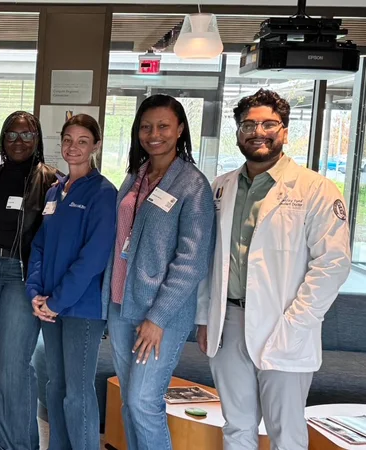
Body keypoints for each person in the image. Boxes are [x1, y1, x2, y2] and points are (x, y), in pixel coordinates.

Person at [196, 89, 351, 450]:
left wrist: (296, 323)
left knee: (286, 431)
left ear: (284, 130)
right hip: (229, 323)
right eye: (248, 124)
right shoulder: (222, 187)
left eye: (268, 123)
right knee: (237, 425)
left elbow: (333, 264)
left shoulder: (316, 189)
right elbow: (210, 259)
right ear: (238, 131)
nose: (257, 131)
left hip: (285, 323)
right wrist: (205, 317)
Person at [100, 94, 215, 450]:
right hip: (121, 305)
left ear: (180, 129)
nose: (154, 134)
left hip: (159, 315)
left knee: (143, 402)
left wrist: (158, 317)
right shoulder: (137, 175)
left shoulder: (192, 185)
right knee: (130, 404)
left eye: (163, 126)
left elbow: (192, 260)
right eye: (146, 127)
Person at [26, 114, 117, 450]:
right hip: (49, 305)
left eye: (82, 141)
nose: (73, 147)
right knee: (55, 387)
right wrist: (36, 293)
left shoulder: (104, 193)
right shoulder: (54, 191)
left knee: (77, 393)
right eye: (67, 140)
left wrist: (56, 301)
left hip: (81, 308)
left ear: (95, 145)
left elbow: (93, 258)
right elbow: (39, 245)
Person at [0, 111, 58, 450]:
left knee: (14, 367)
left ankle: (19, 445)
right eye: (12, 135)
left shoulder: (51, 181)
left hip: (23, 276)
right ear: (3, 140)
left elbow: (55, 238)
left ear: (37, 140)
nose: (19, 142)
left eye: (27, 135)